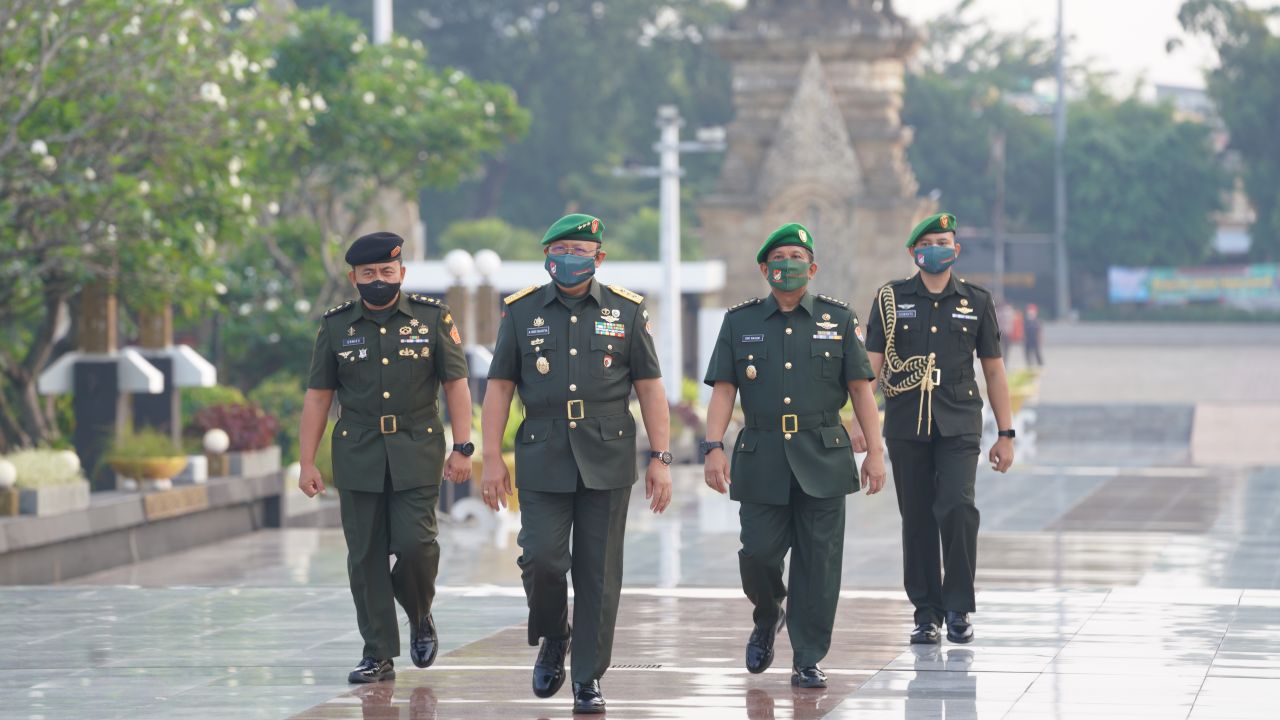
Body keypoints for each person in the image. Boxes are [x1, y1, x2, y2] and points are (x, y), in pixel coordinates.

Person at [479, 213, 672, 715]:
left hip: (607, 455)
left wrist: (661, 458)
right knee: (542, 557)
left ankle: (588, 678)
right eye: (561, 248)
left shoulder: (626, 312)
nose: (570, 258)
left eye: (581, 250)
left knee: (599, 573)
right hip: (542, 452)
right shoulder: (521, 312)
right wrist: (492, 456)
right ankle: (553, 633)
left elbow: (650, 388)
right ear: (547, 256)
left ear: (599, 258)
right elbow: (499, 386)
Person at [701, 223, 887, 689]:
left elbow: (862, 391)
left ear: (813, 267)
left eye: (797, 257)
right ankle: (768, 615)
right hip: (762, 456)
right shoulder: (740, 322)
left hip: (823, 457)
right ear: (765, 269)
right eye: (779, 258)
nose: (788, 265)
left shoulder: (838, 320)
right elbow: (724, 390)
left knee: (819, 563)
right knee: (759, 554)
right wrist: (712, 447)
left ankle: (807, 656)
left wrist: (876, 452)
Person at [298, 231, 475, 683]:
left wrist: (463, 447)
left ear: (402, 273)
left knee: (416, 546)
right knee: (366, 557)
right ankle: (377, 652)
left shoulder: (432, 318)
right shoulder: (337, 326)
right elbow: (319, 397)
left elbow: (456, 384)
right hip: (357, 453)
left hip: (417, 449)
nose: (378, 280)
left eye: (387, 272)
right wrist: (306, 461)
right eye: (368, 273)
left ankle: (419, 613)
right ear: (354, 277)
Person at [863, 212, 1016, 646]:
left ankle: (958, 607)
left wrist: (1006, 434)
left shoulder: (976, 301)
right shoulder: (891, 299)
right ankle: (926, 612)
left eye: (943, 241)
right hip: (906, 423)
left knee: (956, 506)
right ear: (914, 252)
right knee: (916, 518)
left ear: (956, 250)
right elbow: (870, 367)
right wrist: (861, 423)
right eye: (927, 242)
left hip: (958, 422)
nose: (936, 248)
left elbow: (994, 371)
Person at [1023, 303, 1044, 368]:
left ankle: (1040, 364)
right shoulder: (1026, 321)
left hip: (1035, 339)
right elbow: (1023, 331)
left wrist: (1040, 339)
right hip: (1028, 339)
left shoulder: (1037, 321)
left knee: (1037, 352)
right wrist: (1024, 338)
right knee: (1027, 353)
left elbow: (1039, 331)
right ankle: (1029, 364)